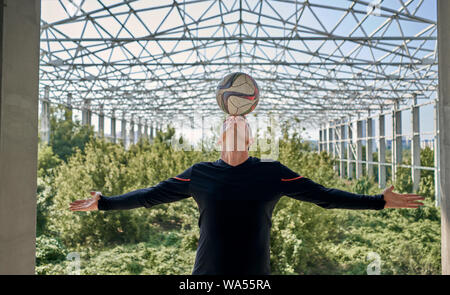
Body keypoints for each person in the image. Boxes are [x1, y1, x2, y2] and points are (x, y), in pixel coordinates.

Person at [70, 115, 425, 275]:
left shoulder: (272, 171)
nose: (235, 122)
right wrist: (105, 203)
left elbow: (324, 196)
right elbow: (151, 196)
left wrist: (378, 200)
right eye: (228, 123)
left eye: (242, 123)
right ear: (220, 140)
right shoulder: (200, 173)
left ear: (251, 140)